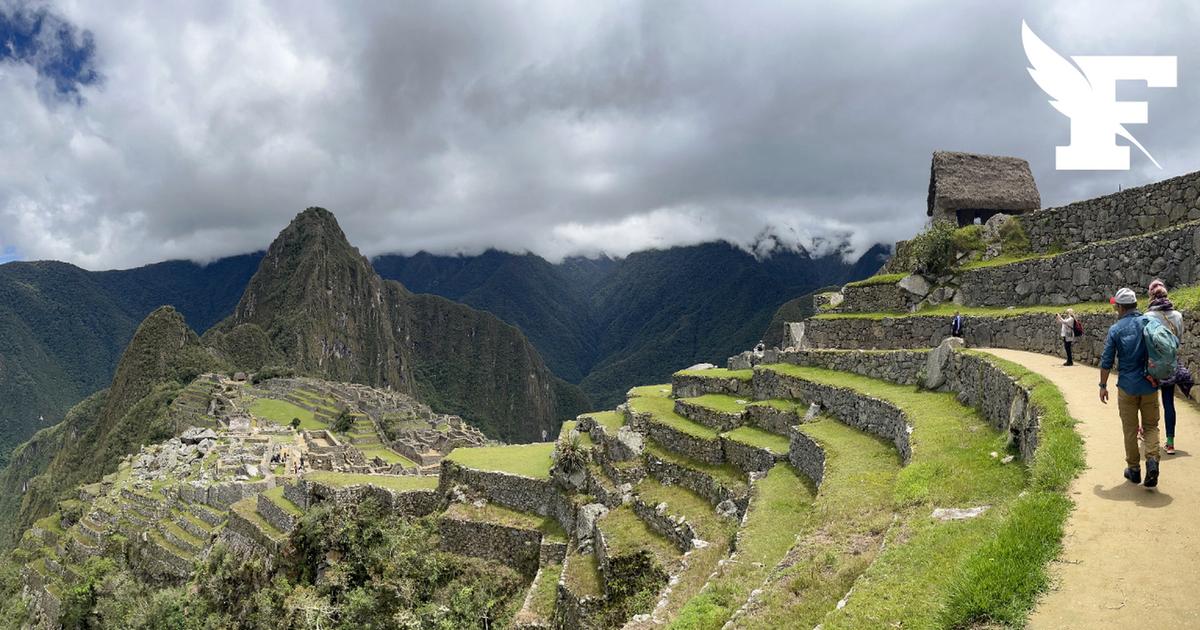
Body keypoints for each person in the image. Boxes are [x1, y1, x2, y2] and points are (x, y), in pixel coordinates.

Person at [1099, 287, 1161, 487]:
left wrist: (1102, 385)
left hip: (1127, 386)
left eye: (1116, 306)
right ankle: (1152, 461)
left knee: (1130, 430)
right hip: (1150, 384)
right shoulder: (1150, 322)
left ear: (1121, 307)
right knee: (1151, 426)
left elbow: (1107, 360)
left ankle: (1134, 470)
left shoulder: (1116, 329)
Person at [1145, 279, 1184, 455]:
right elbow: (1178, 341)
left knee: (1147, 402)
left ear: (1151, 296)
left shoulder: (1147, 317)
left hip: (1152, 366)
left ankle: (1146, 433)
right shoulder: (1177, 316)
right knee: (1169, 403)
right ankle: (1170, 442)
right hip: (1170, 365)